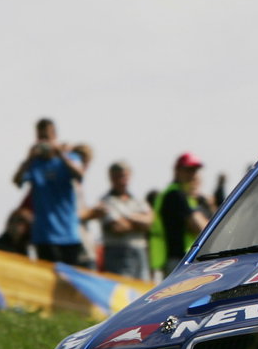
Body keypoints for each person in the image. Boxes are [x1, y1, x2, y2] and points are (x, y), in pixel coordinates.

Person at [12, 118, 87, 265]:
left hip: (69, 233)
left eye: (46, 137)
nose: (43, 141)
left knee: (70, 281)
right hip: (44, 235)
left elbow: (80, 175)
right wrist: (29, 159)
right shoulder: (34, 163)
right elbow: (17, 181)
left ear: (55, 136)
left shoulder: (69, 158)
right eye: (40, 137)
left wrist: (61, 154)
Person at [152, 153, 212, 276]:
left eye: (195, 171)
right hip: (178, 261)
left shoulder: (188, 197)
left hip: (181, 259)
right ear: (177, 171)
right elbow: (202, 229)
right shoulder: (176, 195)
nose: (192, 175)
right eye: (188, 170)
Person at [94, 161, 153, 280]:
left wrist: (127, 217)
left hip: (140, 250)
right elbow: (118, 227)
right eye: (118, 176)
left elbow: (149, 221)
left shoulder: (137, 200)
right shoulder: (105, 201)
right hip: (118, 252)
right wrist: (138, 222)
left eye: (125, 175)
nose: (122, 179)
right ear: (111, 177)